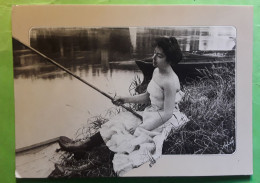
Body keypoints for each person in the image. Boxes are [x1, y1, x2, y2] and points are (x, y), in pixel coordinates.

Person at [58, 36, 189, 176]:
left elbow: (167, 114)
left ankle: (77, 171)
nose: (154, 58)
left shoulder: (170, 81)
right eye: (154, 53)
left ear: (169, 60)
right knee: (119, 122)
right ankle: (83, 147)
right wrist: (125, 99)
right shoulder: (157, 71)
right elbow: (148, 96)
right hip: (152, 113)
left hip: (164, 121)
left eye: (159, 56)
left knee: (128, 143)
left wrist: (145, 127)